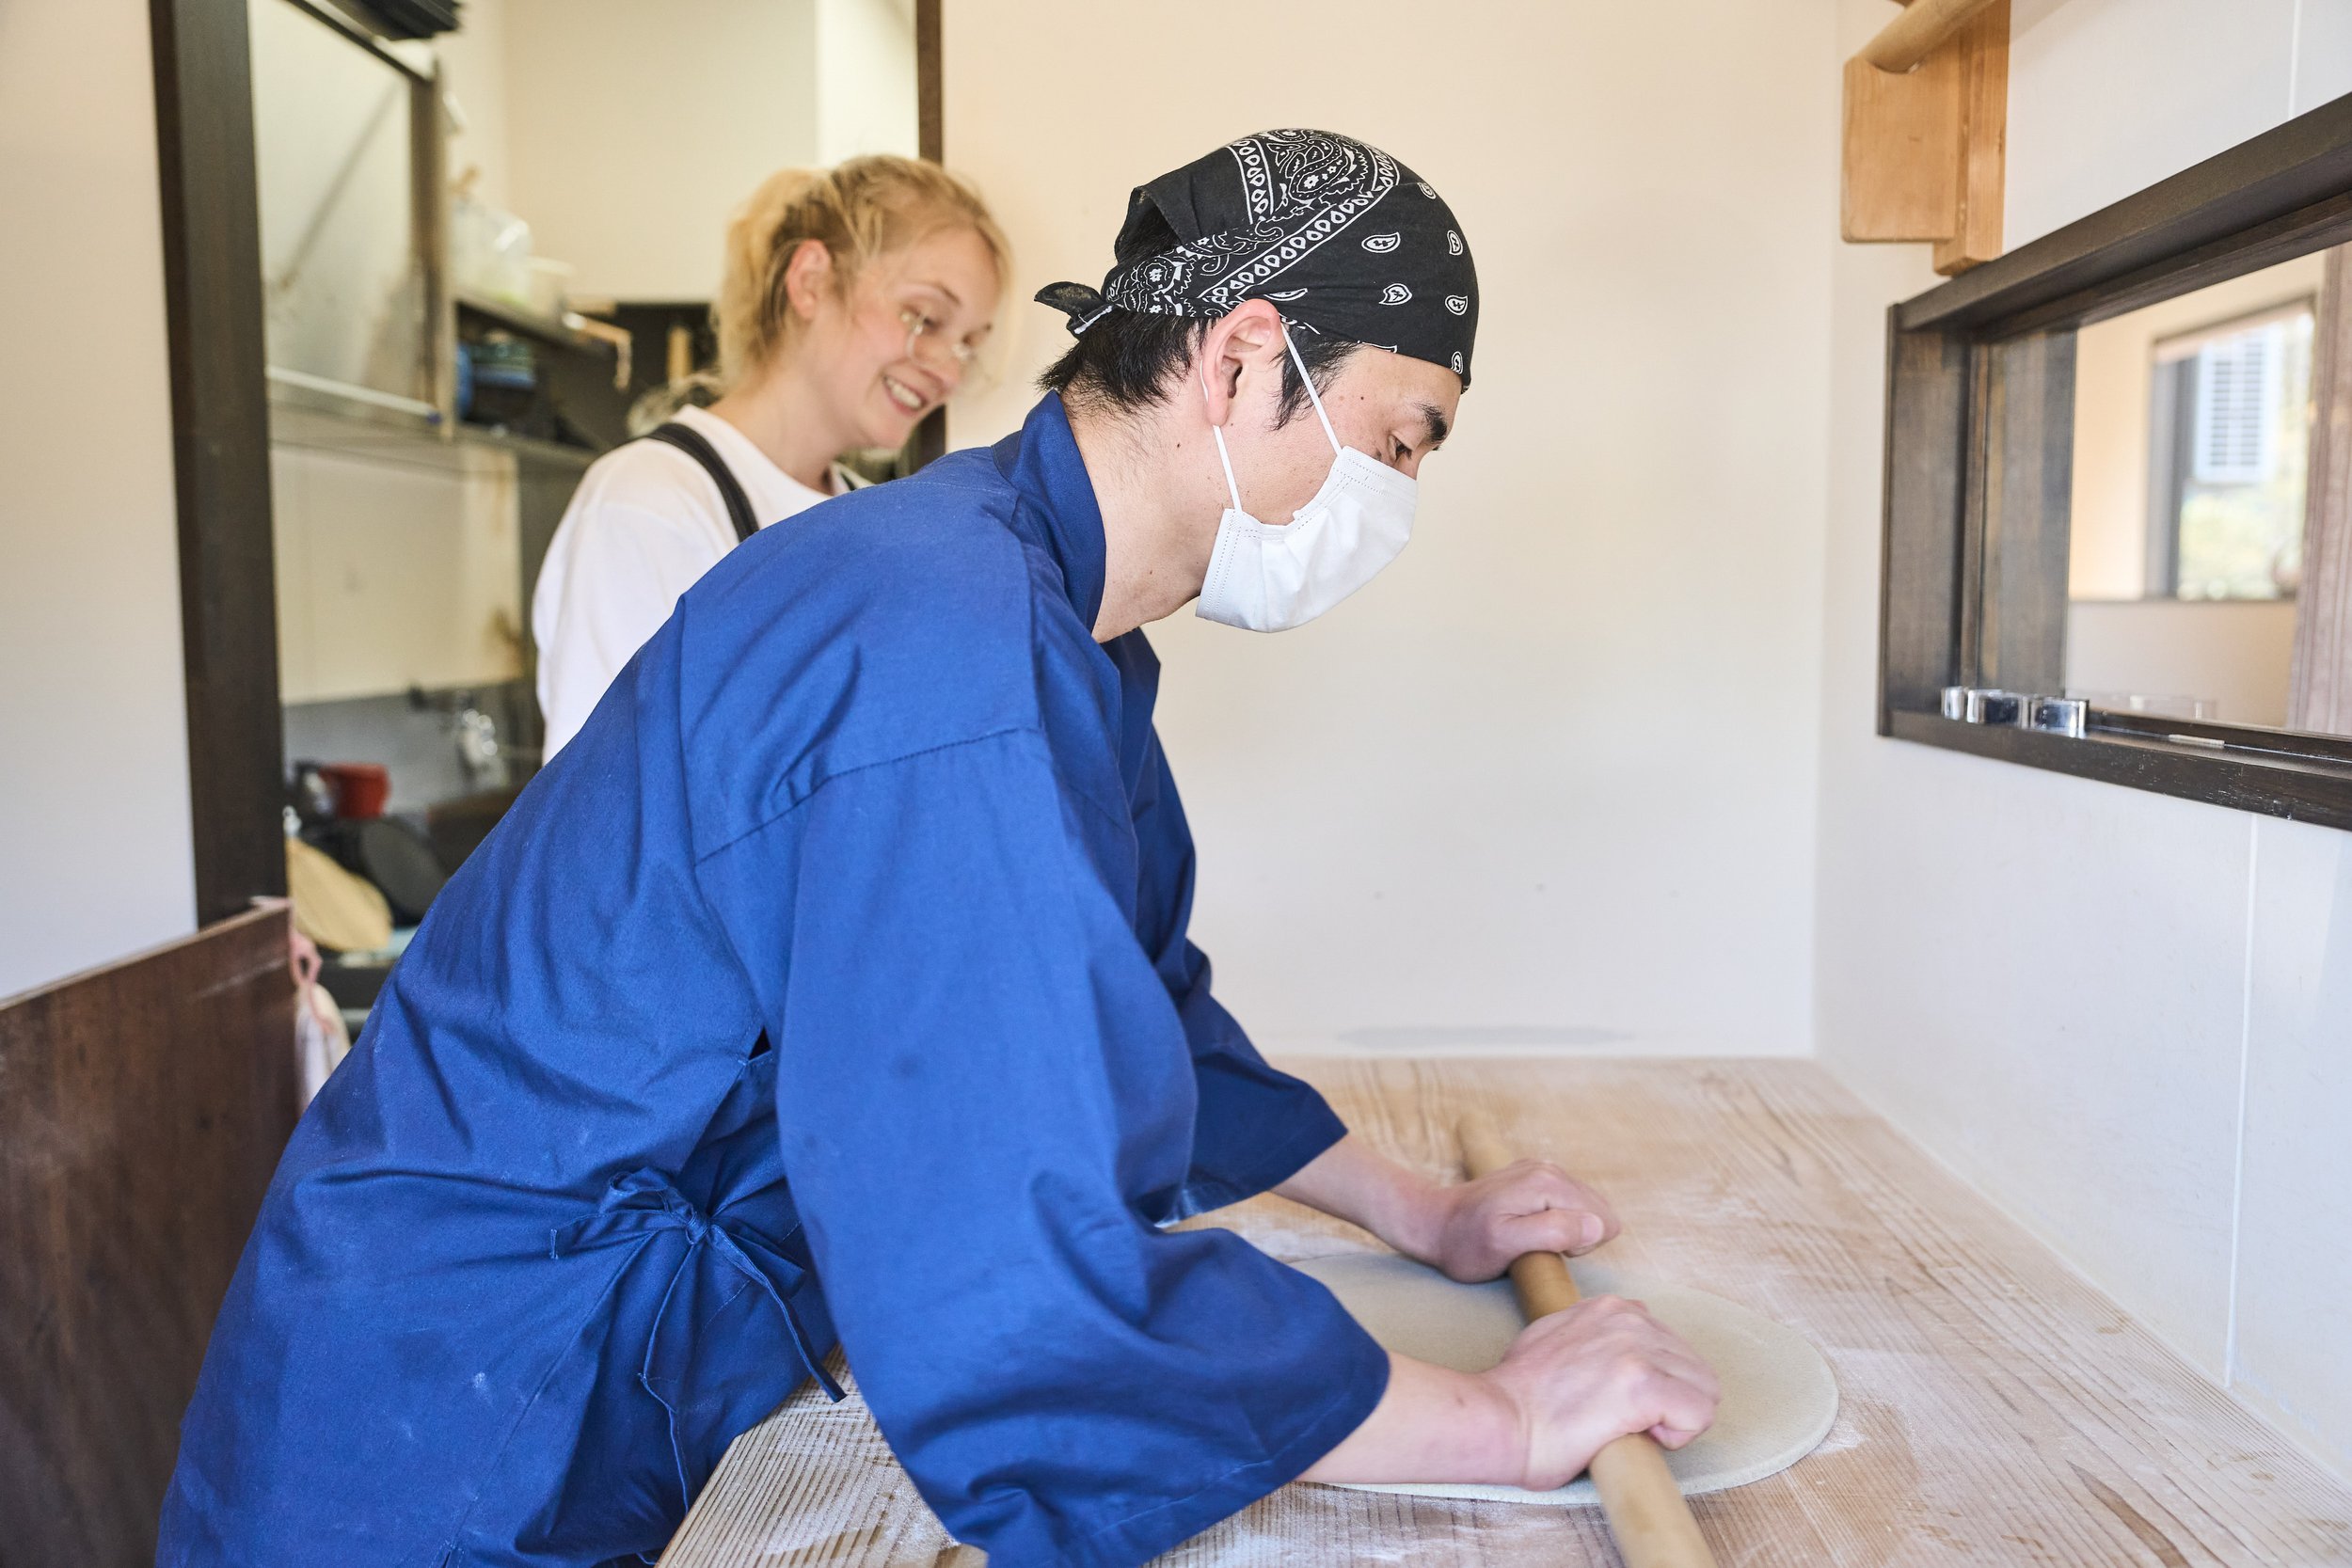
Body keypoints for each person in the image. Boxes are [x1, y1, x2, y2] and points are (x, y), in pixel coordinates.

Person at [158, 129, 1717, 1568]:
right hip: (438, 1425)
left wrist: (1420, 1214)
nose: (1398, 495)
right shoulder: (933, 648)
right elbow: (1009, 1268)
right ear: (1246, 363)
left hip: (596, 1369)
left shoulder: (1057, 632)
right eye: (1402, 437)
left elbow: (1135, 1001)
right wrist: (1503, 1422)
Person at [532, 155, 1009, 757]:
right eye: (925, 317)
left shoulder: (877, 516)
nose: (946, 369)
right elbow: (602, 810)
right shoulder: (649, 504)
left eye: (968, 345)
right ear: (810, 281)